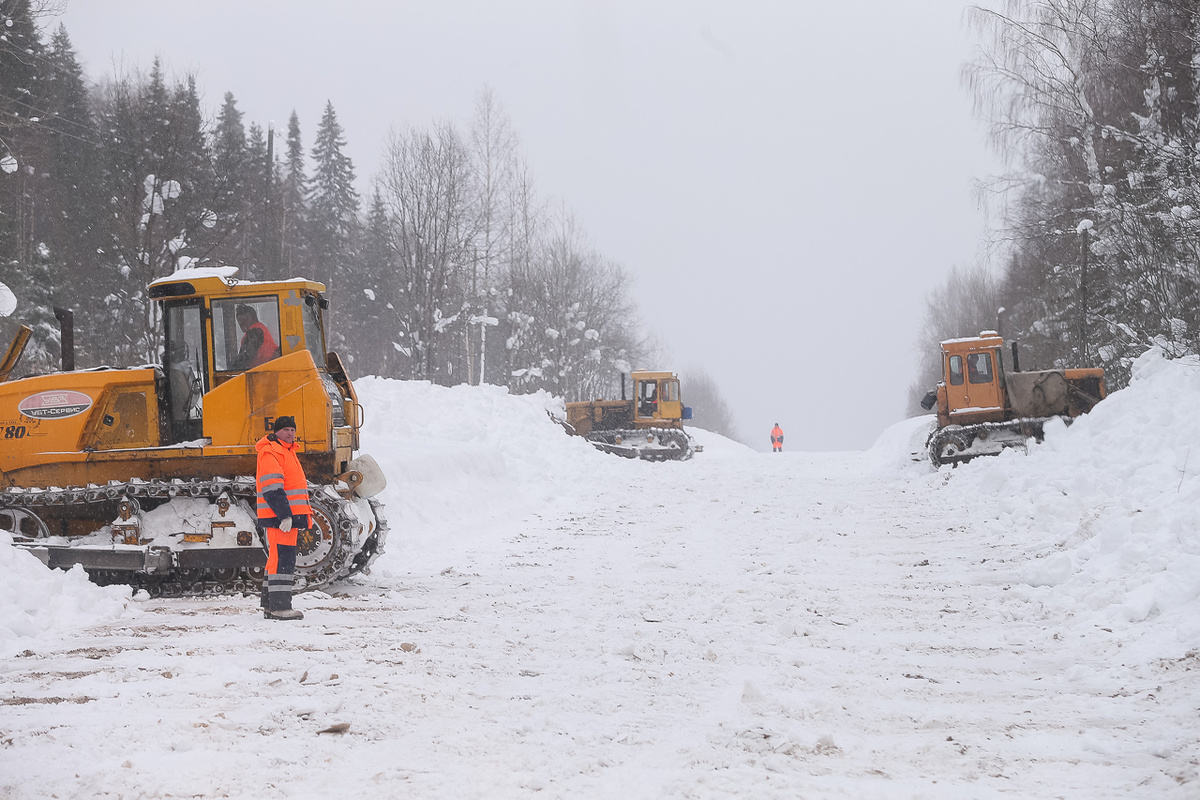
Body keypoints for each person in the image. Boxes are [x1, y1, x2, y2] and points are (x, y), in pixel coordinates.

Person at [256, 415, 311, 620]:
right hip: (280, 519)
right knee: (282, 560)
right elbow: (271, 488)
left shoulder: (288, 452)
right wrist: (285, 515)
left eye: (292, 429)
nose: (290, 433)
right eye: (286, 429)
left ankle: (270, 606)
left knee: (276, 560)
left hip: (284, 518)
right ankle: (280, 607)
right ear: (277, 432)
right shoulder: (271, 452)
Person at [233, 304, 279, 371]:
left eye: (245, 319)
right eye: (239, 320)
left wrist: (234, 368)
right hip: (265, 369)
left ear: (254, 318)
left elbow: (246, 358)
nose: (242, 323)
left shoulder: (255, 332)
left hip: (262, 372)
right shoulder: (260, 329)